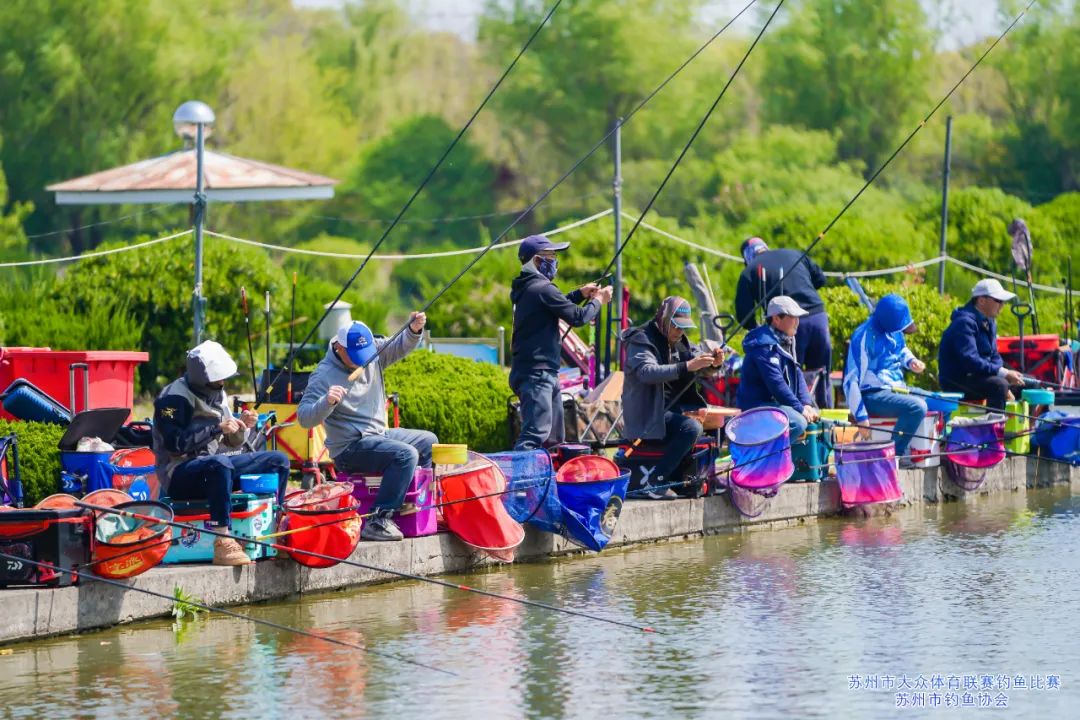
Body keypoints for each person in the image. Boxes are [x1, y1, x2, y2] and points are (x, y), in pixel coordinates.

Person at [298, 315, 436, 542]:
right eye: (355, 357)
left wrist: (413, 330)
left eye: (364, 356)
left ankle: (416, 507)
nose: (362, 361)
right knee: (405, 455)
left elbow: (399, 345)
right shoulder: (322, 375)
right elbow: (304, 418)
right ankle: (379, 520)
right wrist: (327, 402)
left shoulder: (371, 353)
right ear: (340, 348)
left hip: (379, 436)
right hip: (350, 449)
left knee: (428, 442)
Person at [153, 340, 291, 566]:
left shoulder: (218, 394)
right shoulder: (173, 399)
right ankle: (223, 539)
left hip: (215, 467)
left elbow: (228, 445)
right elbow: (175, 444)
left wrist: (241, 427)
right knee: (219, 465)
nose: (223, 383)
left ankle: (277, 527)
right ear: (204, 379)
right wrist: (217, 428)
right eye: (218, 379)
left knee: (278, 461)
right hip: (179, 475)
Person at [509, 234, 613, 450]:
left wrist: (579, 293)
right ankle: (520, 481)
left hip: (542, 372)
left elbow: (556, 304)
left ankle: (549, 480)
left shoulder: (529, 287)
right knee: (535, 435)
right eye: (551, 256)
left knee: (555, 439)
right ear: (537, 261)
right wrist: (598, 300)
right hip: (537, 374)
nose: (555, 261)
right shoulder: (541, 288)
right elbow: (578, 317)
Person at [622, 297, 722, 499]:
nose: (680, 332)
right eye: (676, 326)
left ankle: (703, 477)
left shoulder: (681, 342)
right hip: (649, 416)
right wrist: (687, 366)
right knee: (691, 428)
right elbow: (646, 372)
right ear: (665, 320)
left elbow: (699, 365)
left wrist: (714, 363)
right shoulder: (640, 339)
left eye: (683, 327)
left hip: (674, 411)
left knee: (715, 422)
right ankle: (655, 482)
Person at [734, 237, 833, 408]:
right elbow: (820, 279)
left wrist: (761, 334)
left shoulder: (749, 271)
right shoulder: (793, 253)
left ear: (746, 257)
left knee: (791, 378)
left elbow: (744, 314)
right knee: (821, 373)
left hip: (785, 322)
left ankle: (798, 419)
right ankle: (824, 419)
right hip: (818, 316)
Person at [843, 294, 928, 468]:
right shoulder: (863, 337)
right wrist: (861, 417)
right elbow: (850, 381)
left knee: (940, 401)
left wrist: (911, 361)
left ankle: (933, 451)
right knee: (917, 407)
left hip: (897, 389)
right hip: (873, 394)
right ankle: (892, 457)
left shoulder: (894, 329)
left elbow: (901, 349)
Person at [735, 296, 819, 438]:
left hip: (776, 405)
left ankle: (784, 456)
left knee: (814, 415)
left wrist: (806, 404)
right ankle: (765, 456)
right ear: (776, 319)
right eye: (792, 317)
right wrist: (799, 409)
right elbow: (776, 384)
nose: (797, 322)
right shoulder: (762, 346)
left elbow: (797, 371)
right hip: (756, 407)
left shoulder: (788, 339)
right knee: (798, 422)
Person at [938, 279, 1024, 411]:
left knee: (1027, 382)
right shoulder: (964, 323)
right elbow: (970, 361)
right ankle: (992, 428)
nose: (1002, 305)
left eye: (1003, 301)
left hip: (979, 375)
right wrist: (1002, 374)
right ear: (981, 300)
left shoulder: (990, 321)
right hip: (957, 381)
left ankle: (1030, 427)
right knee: (999, 385)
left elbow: (994, 356)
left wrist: (1003, 372)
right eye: (998, 301)